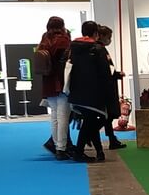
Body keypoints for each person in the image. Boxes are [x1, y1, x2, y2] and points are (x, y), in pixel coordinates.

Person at [64, 20, 111, 163]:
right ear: (96, 33)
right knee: (91, 122)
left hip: (76, 91)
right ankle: (79, 152)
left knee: (90, 121)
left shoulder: (72, 48)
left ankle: (99, 152)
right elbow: (105, 72)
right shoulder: (97, 49)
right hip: (93, 92)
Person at [35, 16, 72, 159]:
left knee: (55, 116)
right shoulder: (64, 40)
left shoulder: (44, 39)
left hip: (48, 83)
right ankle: (61, 148)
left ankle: (57, 145)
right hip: (61, 82)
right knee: (63, 117)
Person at [96, 25, 127, 151]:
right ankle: (90, 133)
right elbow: (106, 70)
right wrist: (117, 74)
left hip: (107, 86)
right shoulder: (100, 50)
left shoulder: (101, 49)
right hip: (106, 88)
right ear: (101, 36)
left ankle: (112, 139)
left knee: (108, 115)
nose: (110, 40)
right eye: (109, 37)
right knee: (109, 115)